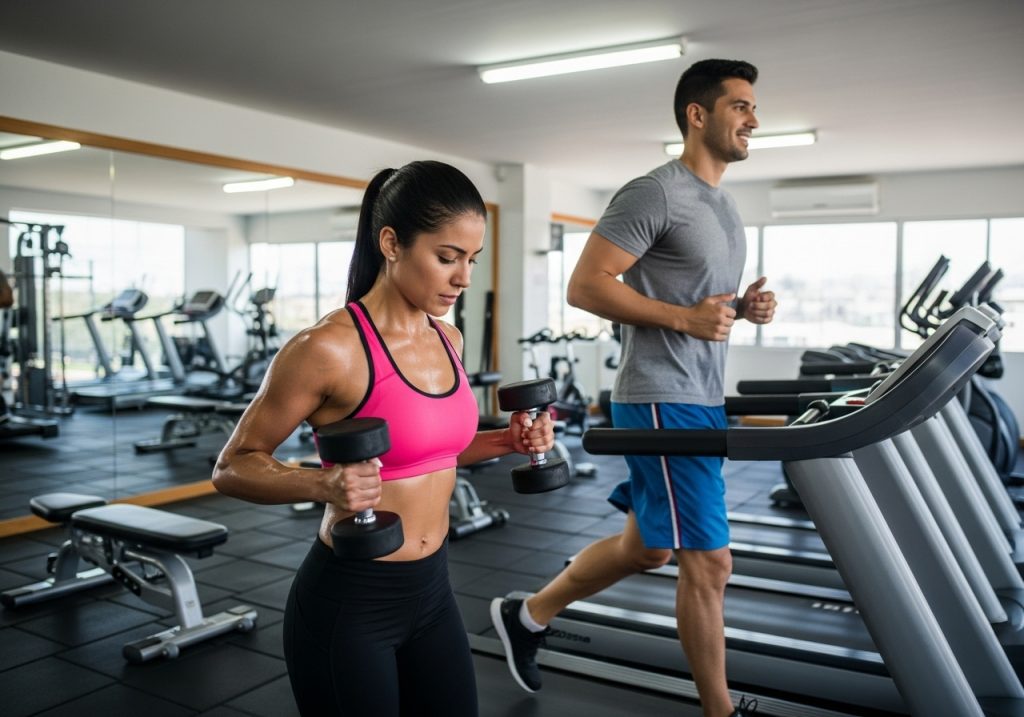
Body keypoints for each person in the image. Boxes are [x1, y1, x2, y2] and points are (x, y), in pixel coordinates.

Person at [212, 160, 555, 717]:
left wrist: (507, 442)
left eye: (471, 259)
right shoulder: (327, 348)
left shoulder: (449, 338)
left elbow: (428, 454)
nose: (463, 277)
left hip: (434, 592)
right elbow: (233, 466)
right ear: (391, 243)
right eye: (447, 257)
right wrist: (325, 485)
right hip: (350, 603)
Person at [490, 59, 777, 717]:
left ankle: (527, 614)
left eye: (755, 108)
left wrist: (745, 308)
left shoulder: (725, 207)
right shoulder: (656, 192)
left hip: (698, 394)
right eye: (740, 106)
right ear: (696, 114)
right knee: (710, 562)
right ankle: (720, 711)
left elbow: (704, 304)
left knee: (647, 545)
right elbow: (586, 285)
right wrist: (686, 317)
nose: (754, 120)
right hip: (661, 395)